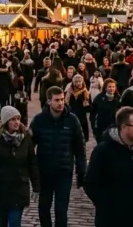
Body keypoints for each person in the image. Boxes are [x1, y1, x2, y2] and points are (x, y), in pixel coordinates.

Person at [84, 107, 133, 227]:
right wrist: (106, 205)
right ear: (124, 127)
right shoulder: (103, 151)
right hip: (112, 219)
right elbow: (90, 183)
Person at [30, 86, 87, 227]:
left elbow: (80, 147)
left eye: (62, 99)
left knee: (61, 210)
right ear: (49, 101)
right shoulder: (39, 120)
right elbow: (29, 146)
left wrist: (82, 170)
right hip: (44, 172)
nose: (60, 103)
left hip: (64, 172)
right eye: (56, 100)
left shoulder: (72, 120)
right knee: (44, 208)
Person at [0, 106, 39, 227]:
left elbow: (32, 164)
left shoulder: (26, 138)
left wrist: (36, 187)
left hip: (19, 189)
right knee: (2, 222)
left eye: (18, 119)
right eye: (13, 119)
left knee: (14, 222)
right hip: (2, 188)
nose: (17, 122)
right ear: (5, 122)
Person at [90, 78, 120, 142]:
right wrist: (94, 127)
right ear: (105, 88)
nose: (112, 88)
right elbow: (93, 112)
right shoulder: (99, 98)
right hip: (101, 128)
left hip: (114, 128)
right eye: (109, 87)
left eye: (113, 87)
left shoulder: (118, 99)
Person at [64, 74, 91, 142]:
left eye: (79, 81)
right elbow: (66, 102)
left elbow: (90, 108)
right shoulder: (69, 91)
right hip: (72, 113)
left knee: (82, 134)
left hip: (82, 115)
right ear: (73, 82)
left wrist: (87, 105)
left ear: (82, 81)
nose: (78, 83)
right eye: (76, 81)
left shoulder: (85, 92)